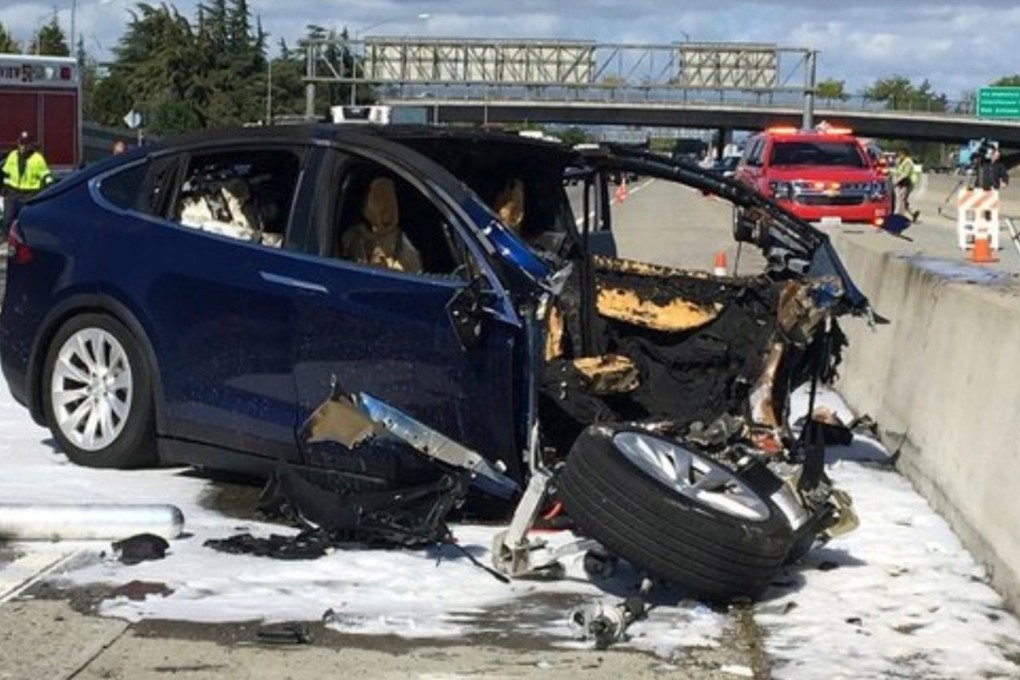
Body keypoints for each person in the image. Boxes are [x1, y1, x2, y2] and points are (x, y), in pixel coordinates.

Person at [341, 176, 423, 273]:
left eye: (389, 197)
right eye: (379, 197)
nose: (386, 205)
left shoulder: (402, 240)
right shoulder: (353, 236)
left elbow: (413, 273)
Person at [2, 131, 53, 236]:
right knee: (7, 219)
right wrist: (4, 188)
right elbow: (5, 174)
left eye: (26, 144)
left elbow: (46, 176)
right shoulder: (12, 156)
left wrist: (50, 188)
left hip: (29, 194)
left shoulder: (38, 159)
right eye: (21, 143)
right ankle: (4, 239)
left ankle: (23, 243)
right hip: (12, 192)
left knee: (24, 220)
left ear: (31, 145)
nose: (23, 147)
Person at [892, 149, 920, 223]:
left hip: (906, 183)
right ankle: (913, 212)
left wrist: (896, 181)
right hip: (904, 183)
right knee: (903, 200)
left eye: (900, 154)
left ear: (904, 154)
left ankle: (898, 215)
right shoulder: (903, 161)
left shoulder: (907, 162)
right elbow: (898, 171)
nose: (899, 156)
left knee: (900, 200)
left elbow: (905, 174)